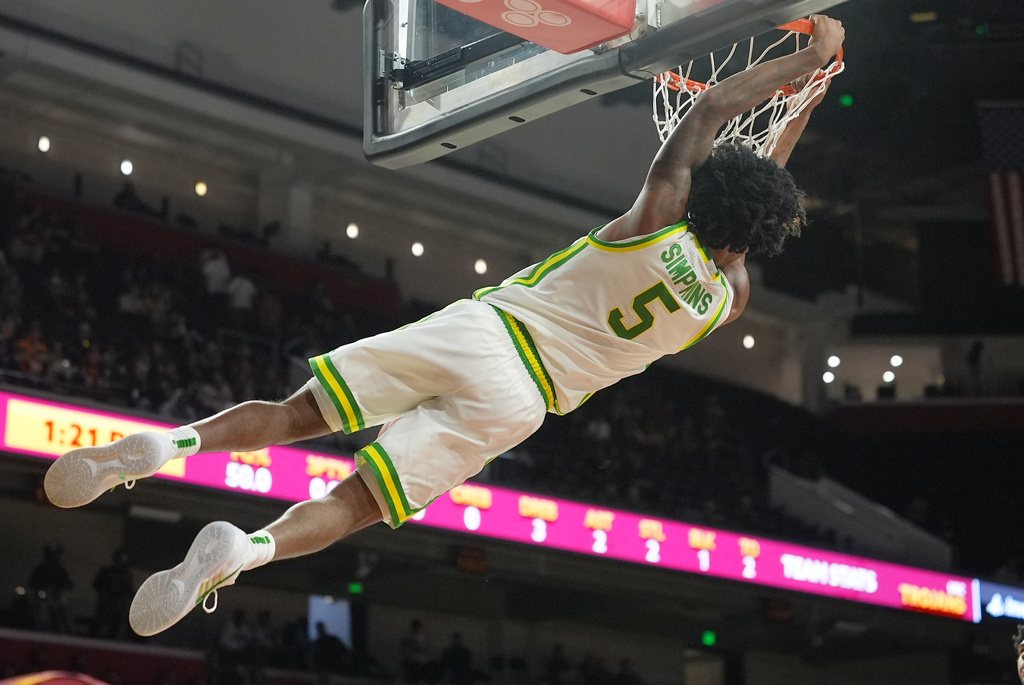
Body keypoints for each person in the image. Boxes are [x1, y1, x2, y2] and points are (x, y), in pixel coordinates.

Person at [42, 15, 844, 638]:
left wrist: (810, 65)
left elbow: (711, 112)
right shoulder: (724, 300)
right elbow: (765, 182)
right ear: (754, 242)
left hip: (486, 333)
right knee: (358, 501)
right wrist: (806, 101)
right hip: (521, 401)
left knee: (299, 415)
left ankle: (168, 448)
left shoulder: (659, 214)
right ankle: (245, 554)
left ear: (709, 195)